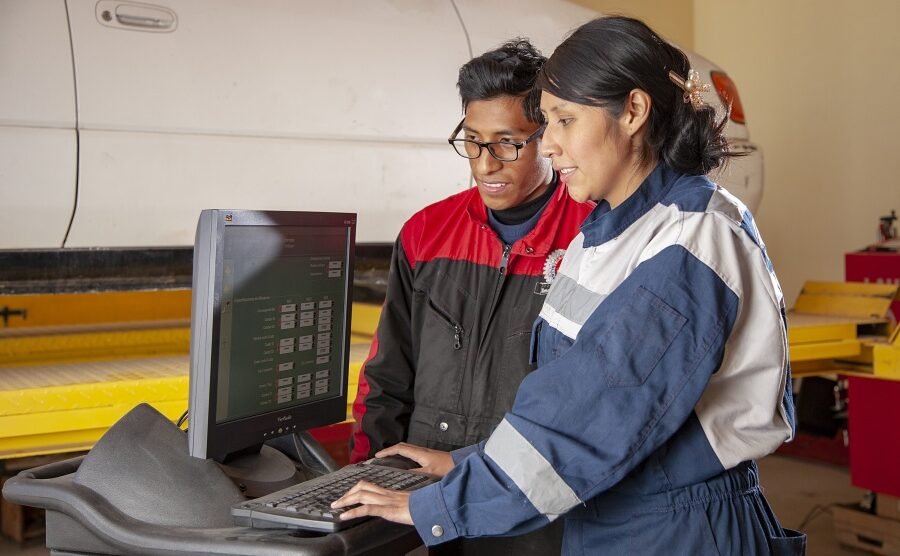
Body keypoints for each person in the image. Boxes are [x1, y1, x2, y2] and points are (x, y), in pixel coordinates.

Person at [335, 16, 807, 556]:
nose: (551, 146)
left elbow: (597, 417)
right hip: (612, 514)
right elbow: (562, 400)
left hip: (677, 527)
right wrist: (468, 463)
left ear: (632, 111)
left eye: (562, 120)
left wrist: (434, 506)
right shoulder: (605, 231)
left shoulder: (689, 239)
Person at [348, 39, 594, 554]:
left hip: (536, 504)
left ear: (548, 138)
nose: (485, 164)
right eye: (473, 141)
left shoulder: (592, 238)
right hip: (426, 492)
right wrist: (366, 472)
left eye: (507, 143)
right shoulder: (425, 233)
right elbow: (388, 373)